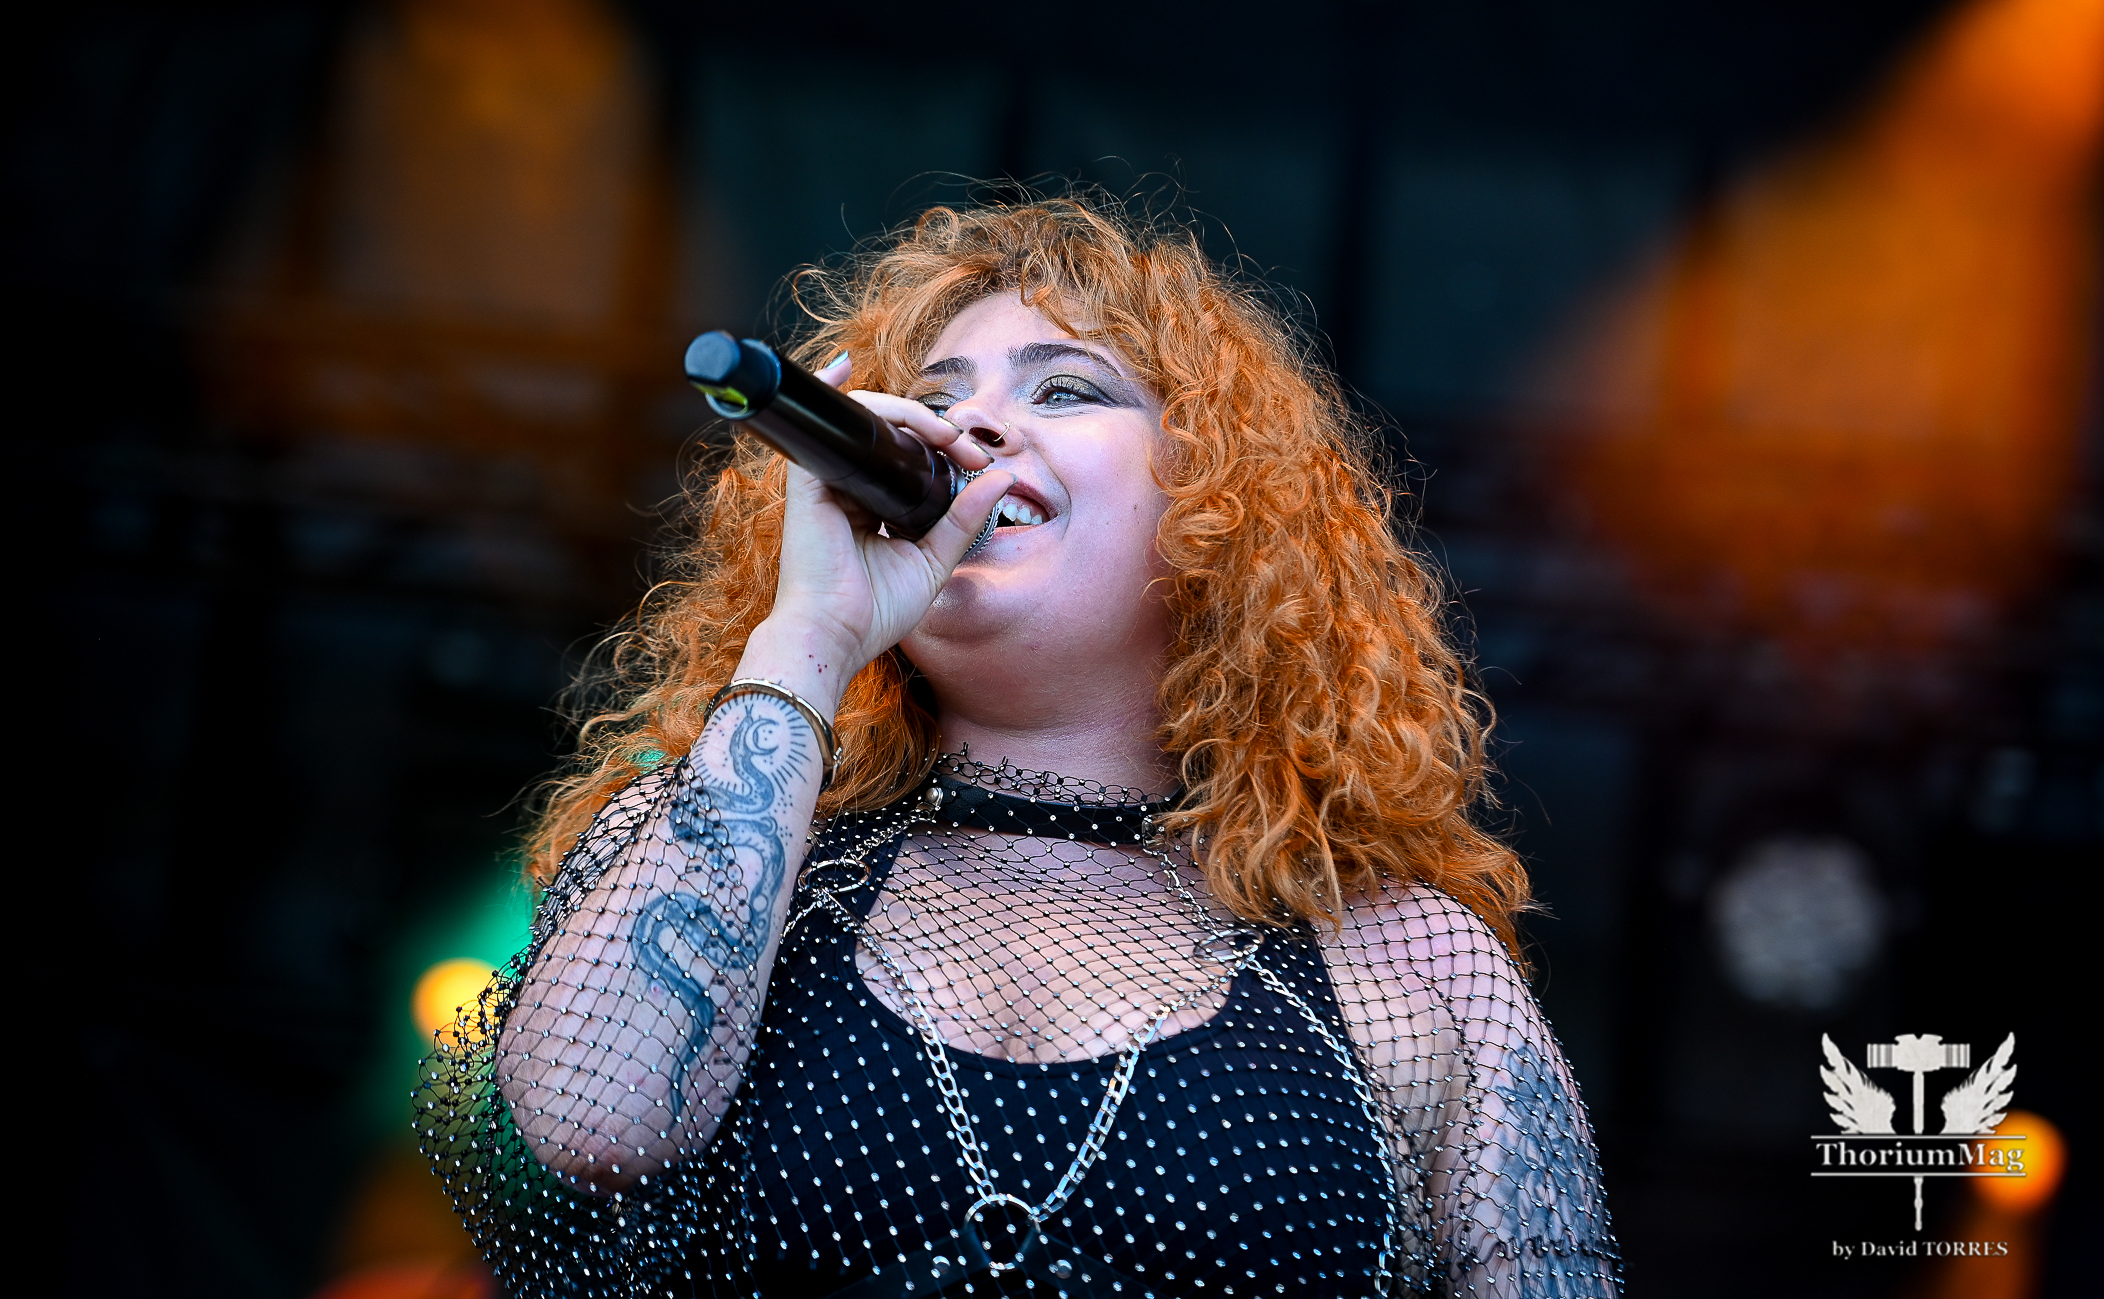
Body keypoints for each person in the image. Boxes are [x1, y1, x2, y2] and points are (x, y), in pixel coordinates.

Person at [418, 193, 1621, 1298]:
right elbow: (591, 1120)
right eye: (938, 398)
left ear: (1220, 500)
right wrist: (808, 637)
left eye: (1065, 390)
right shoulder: (730, 843)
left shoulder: (1404, 961)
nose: (972, 424)